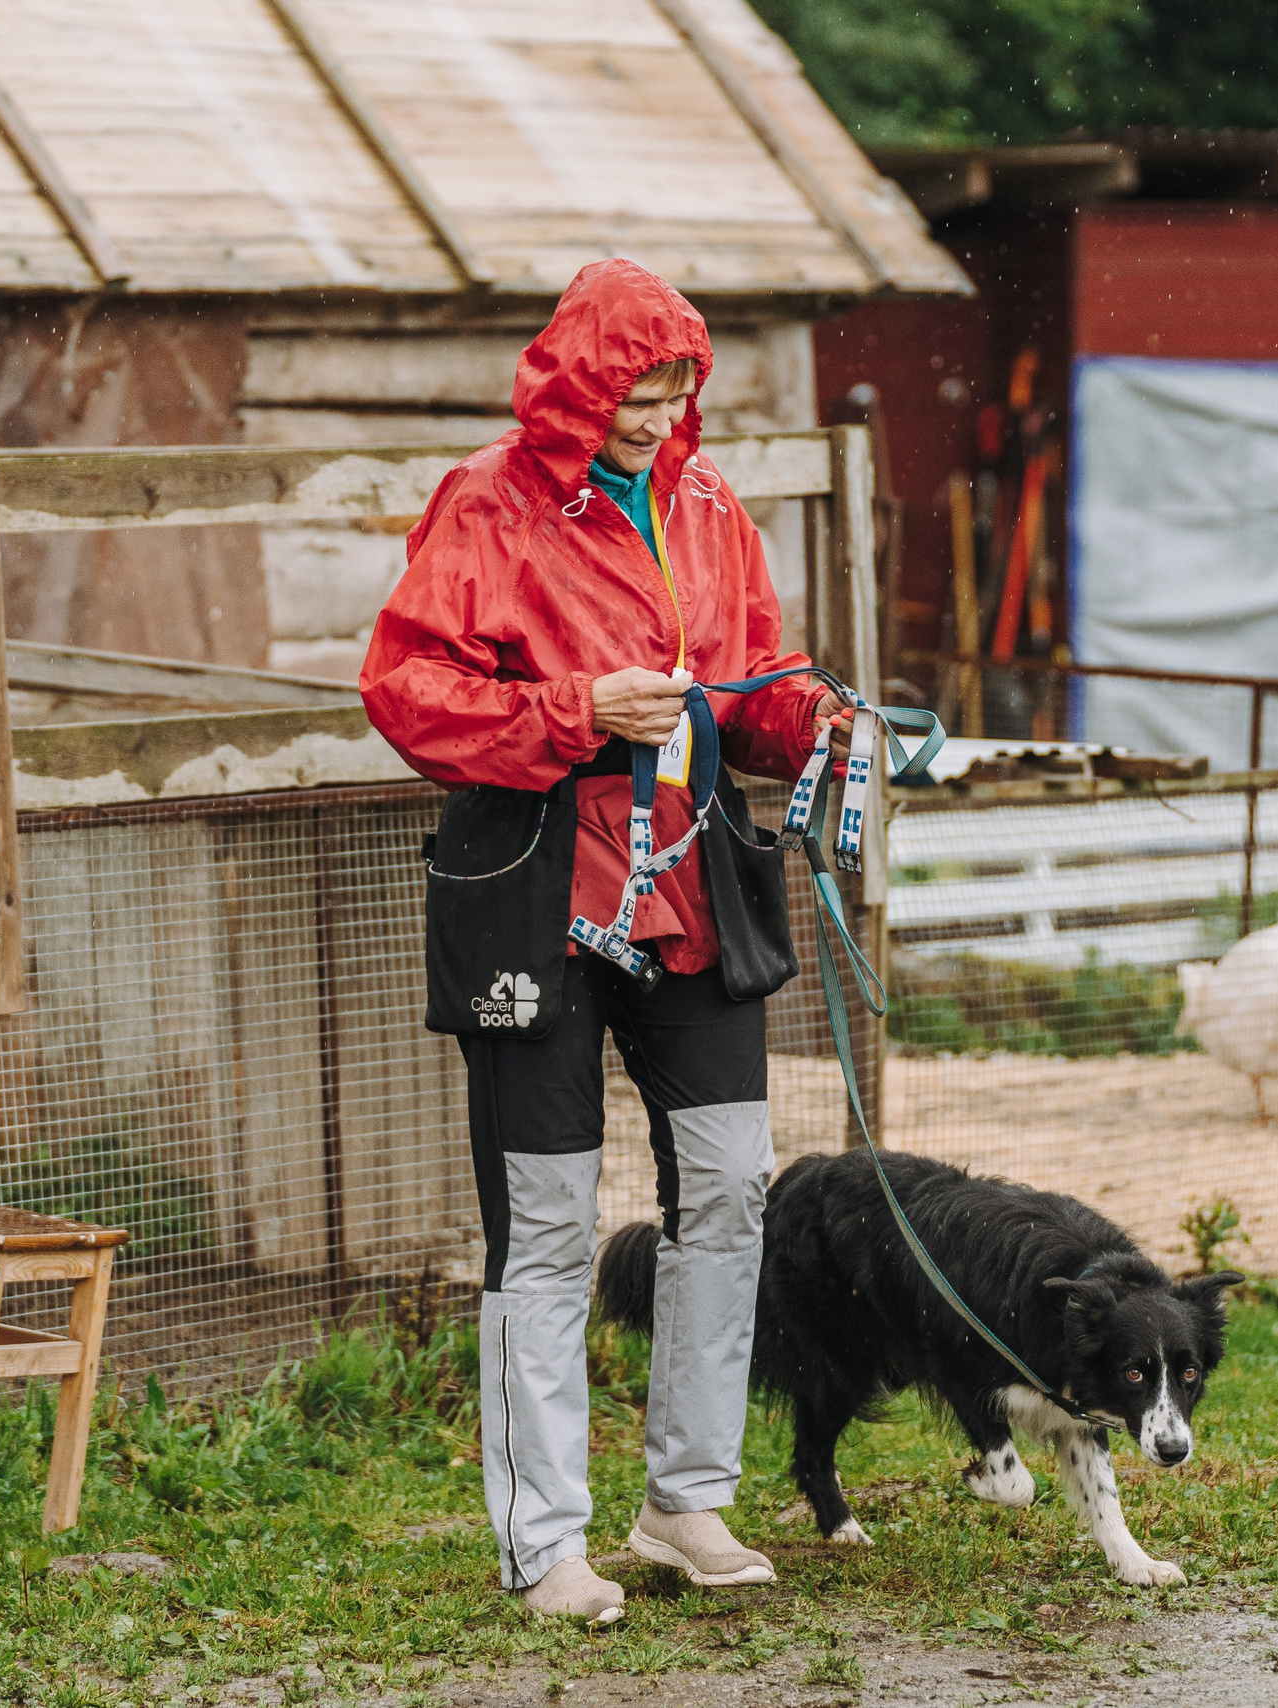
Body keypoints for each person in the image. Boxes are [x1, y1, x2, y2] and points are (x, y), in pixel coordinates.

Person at [361, 259, 847, 1621]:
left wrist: (812, 720)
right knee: (553, 1221)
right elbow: (406, 690)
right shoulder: (489, 502)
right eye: (639, 391)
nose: (656, 417)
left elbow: (753, 683)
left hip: (691, 894)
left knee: (729, 1187)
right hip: (535, 898)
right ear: (582, 381)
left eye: (677, 392)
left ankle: (687, 1501)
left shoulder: (704, 507)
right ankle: (544, 1542)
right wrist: (579, 711)